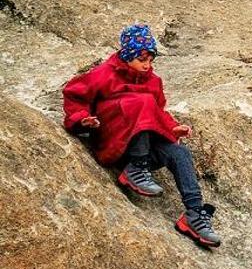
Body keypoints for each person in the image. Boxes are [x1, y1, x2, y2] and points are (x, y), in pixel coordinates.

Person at [62, 23, 221, 247]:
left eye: (151, 60)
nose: (147, 66)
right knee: (141, 101)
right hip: (113, 141)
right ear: (127, 56)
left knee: (179, 152)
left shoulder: (153, 82)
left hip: (141, 145)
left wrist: (172, 127)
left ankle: (194, 215)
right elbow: (74, 95)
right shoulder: (103, 74)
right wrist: (81, 120)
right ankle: (136, 168)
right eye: (142, 60)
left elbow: (157, 111)